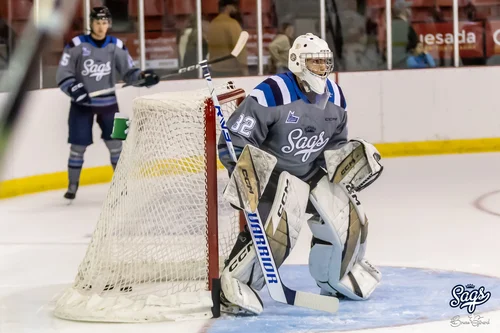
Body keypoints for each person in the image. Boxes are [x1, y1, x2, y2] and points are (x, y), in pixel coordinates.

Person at [217, 33, 384, 315]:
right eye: (315, 61)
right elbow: (234, 138)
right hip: (272, 179)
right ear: (297, 61)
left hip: (310, 173)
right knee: (278, 232)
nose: (322, 68)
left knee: (351, 216)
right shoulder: (272, 92)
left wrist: (346, 163)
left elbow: (334, 146)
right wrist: (245, 176)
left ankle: (335, 277)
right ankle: (233, 284)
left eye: (325, 62)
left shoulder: (336, 97)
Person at [56, 6, 159, 200]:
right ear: (91, 23)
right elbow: (63, 74)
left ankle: (122, 185)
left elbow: (130, 73)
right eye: (97, 22)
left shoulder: (116, 45)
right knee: (77, 147)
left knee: (117, 144)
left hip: (110, 104)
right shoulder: (76, 44)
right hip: (81, 106)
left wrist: (143, 78)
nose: (101, 26)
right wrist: (74, 88)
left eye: (104, 23)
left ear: (109, 24)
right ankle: (72, 186)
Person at [207, 0, 248, 77]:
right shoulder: (231, 23)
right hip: (231, 70)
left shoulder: (213, 24)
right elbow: (239, 48)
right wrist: (244, 68)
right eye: (235, 6)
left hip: (215, 69)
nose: (236, 9)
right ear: (228, 7)